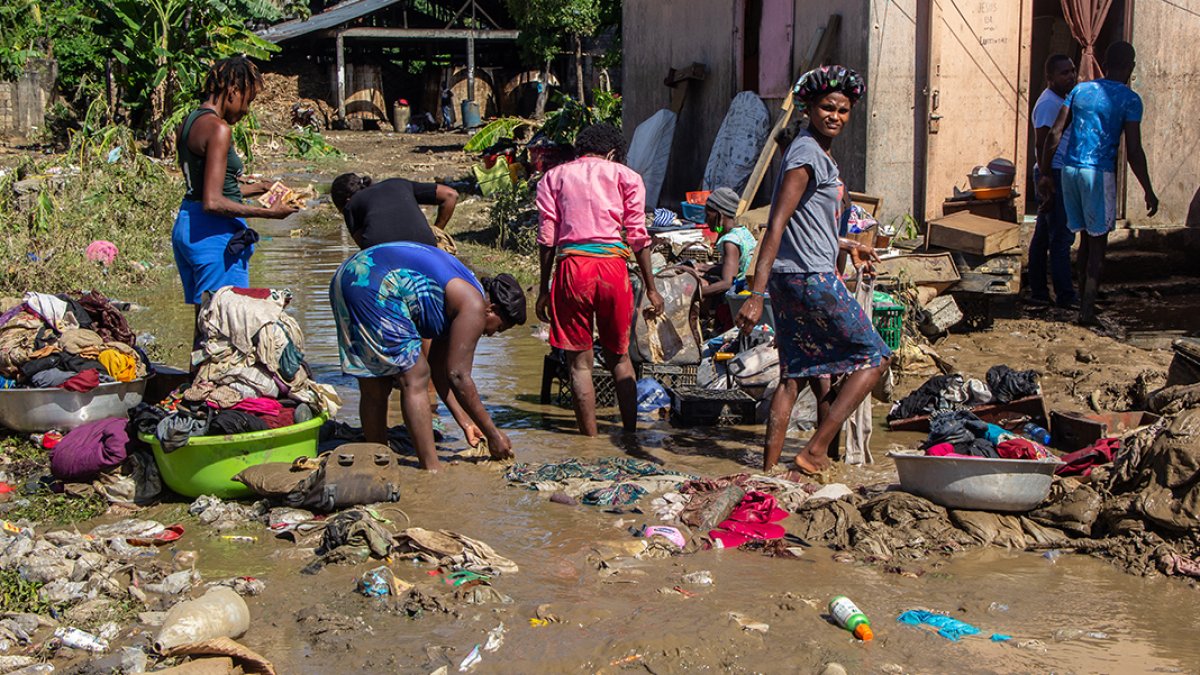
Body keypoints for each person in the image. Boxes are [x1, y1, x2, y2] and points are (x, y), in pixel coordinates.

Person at [734, 66, 891, 476]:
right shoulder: (806, 153)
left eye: (842, 110)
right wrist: (754, 294)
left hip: (796, 275)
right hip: (809, 277)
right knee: (874, 357)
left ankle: (770, 473)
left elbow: (811, 226)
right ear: (808, 108)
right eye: (827, 108)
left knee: (794, 375)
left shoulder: (816, 153)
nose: (835, 116)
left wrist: (851, 244)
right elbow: (777, 223)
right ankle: (816, 451)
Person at [329, 242, 526, 471]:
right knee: (416, 376)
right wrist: (494, 434)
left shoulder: (461, 298)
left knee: (376, 382)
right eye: (498, 328)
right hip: (374, 282)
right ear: (492, 309)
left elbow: (443, 372)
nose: (491, 333)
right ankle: (431, 470)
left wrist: (466, 423)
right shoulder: (474, 306)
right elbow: (459, 375)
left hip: (350, 276)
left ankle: (377, 461)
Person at [535, 123, 664, 437]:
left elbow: (547, 239)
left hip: (572, 269)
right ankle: (631, 436)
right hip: (612, 269)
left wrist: (543, 290)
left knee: (579, 364)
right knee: (619, 357)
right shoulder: (628, 177)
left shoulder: (553, 178)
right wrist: (651, 288)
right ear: (612, 152)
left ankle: (588, 441)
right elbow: (638, 237)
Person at [173, 56, 297, 345]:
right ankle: (212, 389)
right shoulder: (219, 129)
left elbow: (209, 187)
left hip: (188, 226)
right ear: (233, 92)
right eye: (247, 101)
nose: (246, 109)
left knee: (205, 326)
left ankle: (197, 385)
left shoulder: (188, 123)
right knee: (224, 331)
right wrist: (270, 214)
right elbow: (214, 202)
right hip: (214, 237)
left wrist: (260, 187)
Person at [1039, 41, 1158, 325]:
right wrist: (1148, 190)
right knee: (1098, 246)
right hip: (1098, 174)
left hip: (1069, 171)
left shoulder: (1079, 90)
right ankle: (1087, 312)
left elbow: (1054, 135)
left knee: (1083, 240)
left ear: (1104, 62)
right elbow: (1134, 152)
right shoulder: (1130, 100)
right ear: (1130, 67)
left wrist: (1045, 174)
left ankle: (1082, 303)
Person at [1028, 54, 1079, 309]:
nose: (1071, 76)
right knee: (1061, 236)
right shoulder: (1049, 104)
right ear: (1050, 78)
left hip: (1055, 171)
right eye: (1064, 73)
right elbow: (1042, 142)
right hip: (1054, 173)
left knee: (1044, 234)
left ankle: (1038, 290)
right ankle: (1065, 295)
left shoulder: (1062, 100)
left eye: (1072, 71)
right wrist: (1046, 177)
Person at [330, 173, 459, 250]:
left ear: (346, 200)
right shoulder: (398, 183)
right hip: (426, 247)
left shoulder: (351, 205)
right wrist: (436, 231)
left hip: (383, 253)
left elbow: (365, 248)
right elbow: (450, 195)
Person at [698, 186, 758, 328]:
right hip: (745, 287)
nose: (706, 220)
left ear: (719, 215)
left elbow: (727, 282)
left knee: (701, 285)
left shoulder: (730, 242)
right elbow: (735, 267)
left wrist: (697, 292)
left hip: (737, 298)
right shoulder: (743, 231)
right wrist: (704, 267)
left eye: (708, 215)